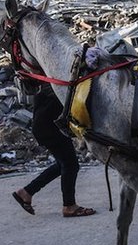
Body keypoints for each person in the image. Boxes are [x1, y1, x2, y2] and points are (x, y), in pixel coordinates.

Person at [11, 85, 96, 218]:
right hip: (50, 128)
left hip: (44, 127)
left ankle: (26, 192)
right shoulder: (59, 85)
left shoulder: (49, 83)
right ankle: (69, 206)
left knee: (62, 164)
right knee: (70, 165)